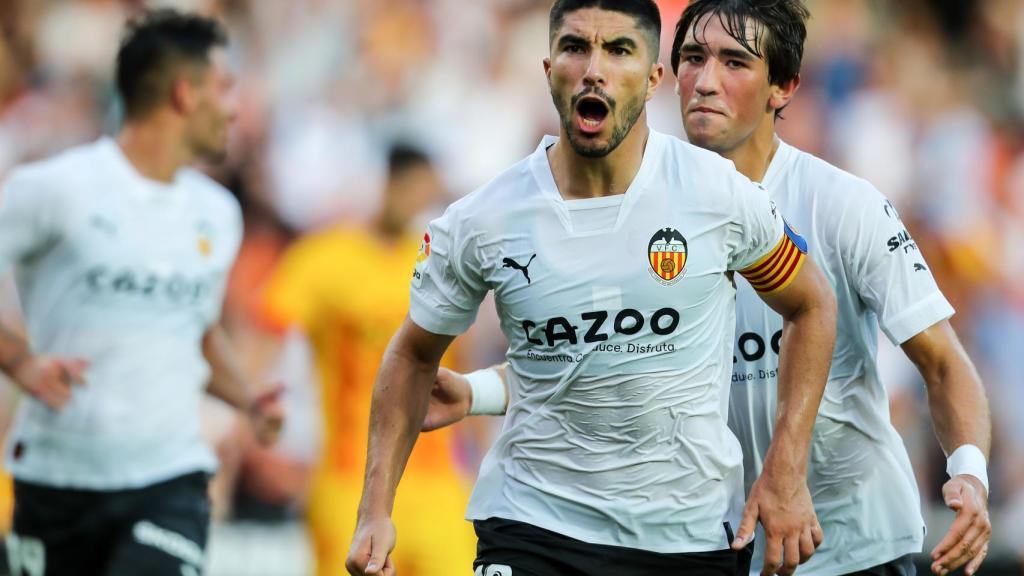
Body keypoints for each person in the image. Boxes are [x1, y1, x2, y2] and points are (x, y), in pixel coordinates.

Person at [429, 1, 994, 575]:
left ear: (784, 86)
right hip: (719, 545)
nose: (704, 81)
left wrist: (968, 472)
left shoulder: (845, 206)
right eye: (693, 59)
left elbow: (943, 363)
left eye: (734, 63)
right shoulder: (642, 202)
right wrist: (476, 393)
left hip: (852, 545)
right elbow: (606, 354)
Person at [345, 1, 838, 575]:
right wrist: (375, 510)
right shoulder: (483, 220)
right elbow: (413, 353)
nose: (594, 69)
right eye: (577, 48)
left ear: (655, 77)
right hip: (532, 528)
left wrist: (786, 463)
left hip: (687, 537)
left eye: (619, 50)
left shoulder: (717, 194)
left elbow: (811, 304)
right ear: (550, 67)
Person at [0, 10, 281, 576]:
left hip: (169, 480)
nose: (235, 108)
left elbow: (194, 331)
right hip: (58, 479)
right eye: (225, 89)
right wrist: (19, 361)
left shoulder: (216, 213)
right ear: (184, 93)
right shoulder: (56, 190)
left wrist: (248, 398)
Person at [259, 143, 478, 576]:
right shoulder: (324, 257)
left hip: (438, 482)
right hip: (350, 478)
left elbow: (462, 362)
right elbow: (266, 330)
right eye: (411, 189)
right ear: (387, 184)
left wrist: (482, 454)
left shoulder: (437, 257)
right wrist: (257, 413)